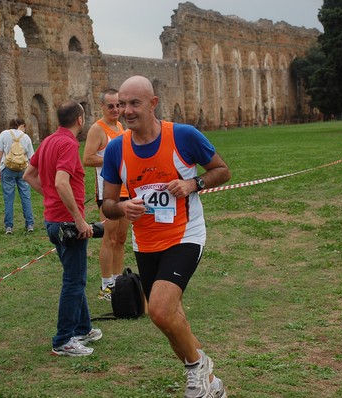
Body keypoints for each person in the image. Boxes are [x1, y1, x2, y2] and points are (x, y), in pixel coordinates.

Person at [101, 76, 231, 398]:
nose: (126, 111)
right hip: (145, 242)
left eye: (134, 103)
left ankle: (196, 369)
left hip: (185, 234)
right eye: (121, 105)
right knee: (170, 317)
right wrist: (122, 207)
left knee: (158, 310)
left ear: (153, 103)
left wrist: (192, 184)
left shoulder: (183, 136)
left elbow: (222, 170)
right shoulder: (117, 148)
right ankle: (210, 382)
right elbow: (106, 204)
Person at [23, 100, 102, 357]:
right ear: (80, 120)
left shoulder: (47, 141)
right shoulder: (68, 143)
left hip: (53, 219)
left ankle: (84, 328)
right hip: (67, 223)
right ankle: (63, 340)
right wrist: (79, 219)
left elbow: (28, 175)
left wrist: (50, 199)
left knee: (74, 275)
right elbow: (60, 182)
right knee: (74, 281)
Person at [82, 88, 130, 300]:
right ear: (101, 106)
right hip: (108, 192)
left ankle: (119, 282)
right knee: (108, 239)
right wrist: (112, 160)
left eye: (118, 105)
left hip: (126, 189)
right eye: (110, 105)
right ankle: (105, 286)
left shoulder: (120, 126)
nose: (115, 109)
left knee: (121, 238)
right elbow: (88, 158)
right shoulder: (97, 129)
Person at [0, 118, 35, 235]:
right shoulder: (25, 137)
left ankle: (9, 226)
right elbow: (31, 157)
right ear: (21, 125)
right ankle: (30, 224)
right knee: (26, 196)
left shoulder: (4, 134)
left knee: (8, 197)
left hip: (7, 167)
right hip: (23, 168)